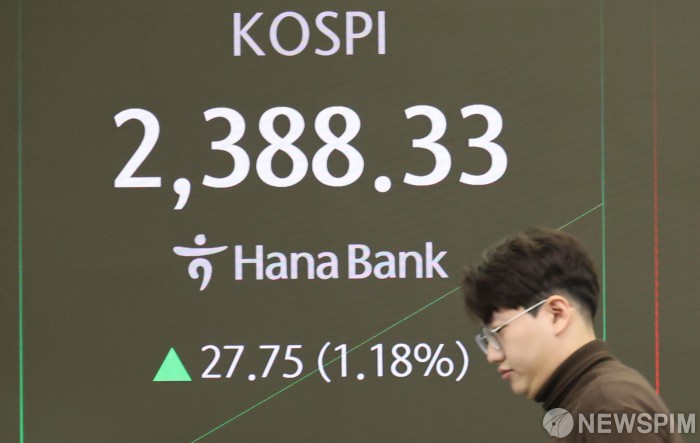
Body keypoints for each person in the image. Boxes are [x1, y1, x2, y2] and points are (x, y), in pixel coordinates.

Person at [461, 227, 683, 442]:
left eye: (499, 331)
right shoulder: (594, 404)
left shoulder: (607, 408)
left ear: (557, 314)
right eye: (487, 339)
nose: (492, 355)